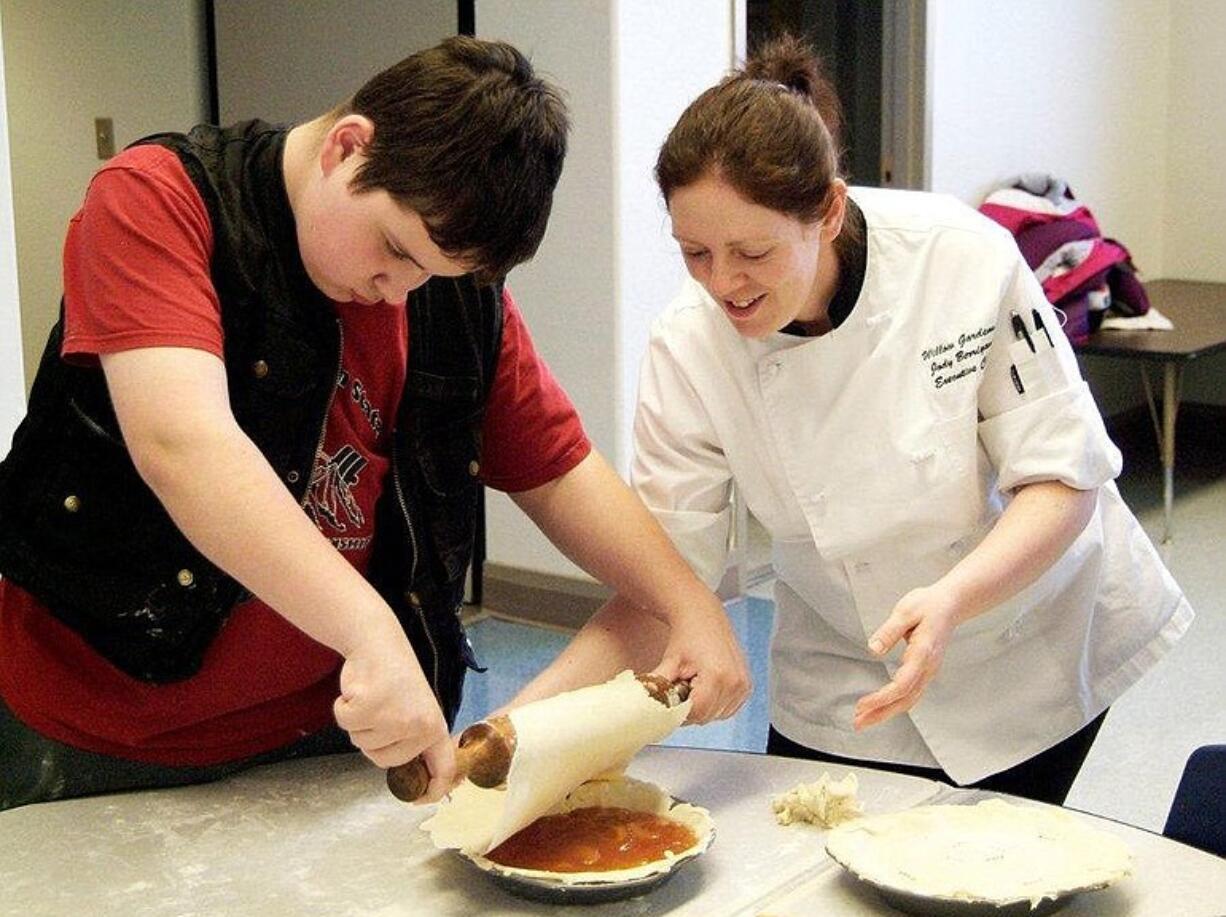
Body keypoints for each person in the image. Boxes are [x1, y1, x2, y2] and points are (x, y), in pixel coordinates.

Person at [0, 36, 749, 812]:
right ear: (348, 148)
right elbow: (184, 445)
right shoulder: (160, 201)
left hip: (333, 741)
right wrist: (369, 628)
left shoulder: (441, 288)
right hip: (98, 733)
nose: (400, 291)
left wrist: (683, 600)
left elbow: (557, 471)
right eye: (395, 248)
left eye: (432, 272)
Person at [509, 36, 1192, 805]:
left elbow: (1063, 481)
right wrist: (516, 726)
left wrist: (952, 599)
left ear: (829, 210)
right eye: (694, 252)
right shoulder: (688, 345)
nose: (723, 283)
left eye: (751, 251)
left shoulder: (960, 259)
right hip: (840, 660)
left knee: (976, 867)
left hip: (1023, 636)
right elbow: (665, 578)